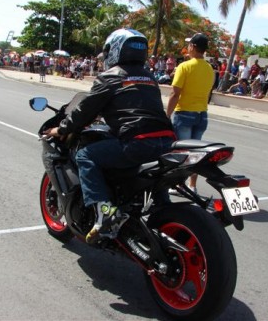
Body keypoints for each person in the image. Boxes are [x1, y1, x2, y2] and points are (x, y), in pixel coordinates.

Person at [43, 28, 175, 243]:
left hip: (137, 143)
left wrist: (62, 129)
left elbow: (84, 111)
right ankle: (164, 209)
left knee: (86, 156)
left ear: (115, 50)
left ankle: (105, 212)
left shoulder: (110, 76)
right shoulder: (149, 77)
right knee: (156, 177)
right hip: (167, 140)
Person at [166, 33, 214, 194]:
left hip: (184, 113)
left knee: (182, 152)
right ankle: (192, 185)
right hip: (202, 114)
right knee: (196, 152)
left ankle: (180, 185)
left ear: (193, 47)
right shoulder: (209, 69)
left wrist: (167, 114)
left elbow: (175, 94)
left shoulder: (184, 66)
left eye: (189, 45)